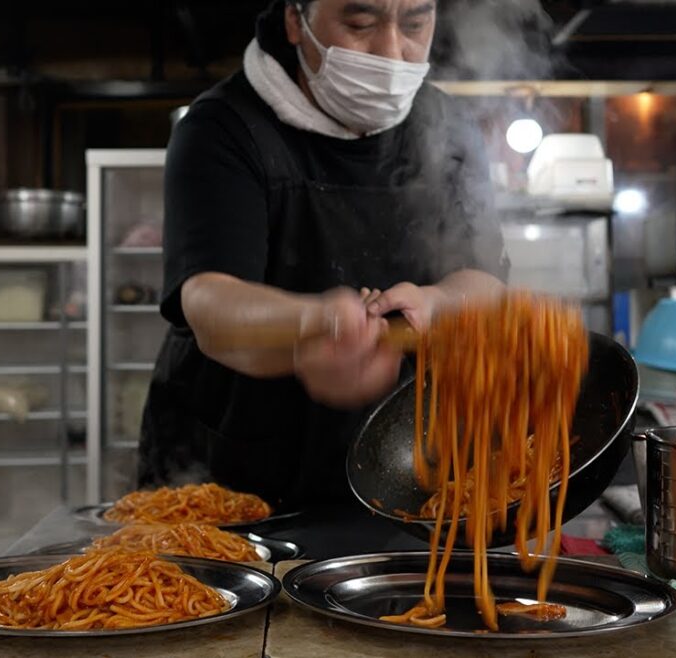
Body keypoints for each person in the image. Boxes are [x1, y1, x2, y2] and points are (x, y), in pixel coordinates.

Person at [139, 0, 508, 511]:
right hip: (233, 474)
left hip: (408, 470)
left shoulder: (448, 127)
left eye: (415, 24)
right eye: (360, 24)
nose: (391, 52)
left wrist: (437, 305)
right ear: (296, 20)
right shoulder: (222, 127)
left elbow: (484, 281)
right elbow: (210, 304)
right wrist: (314, 327)